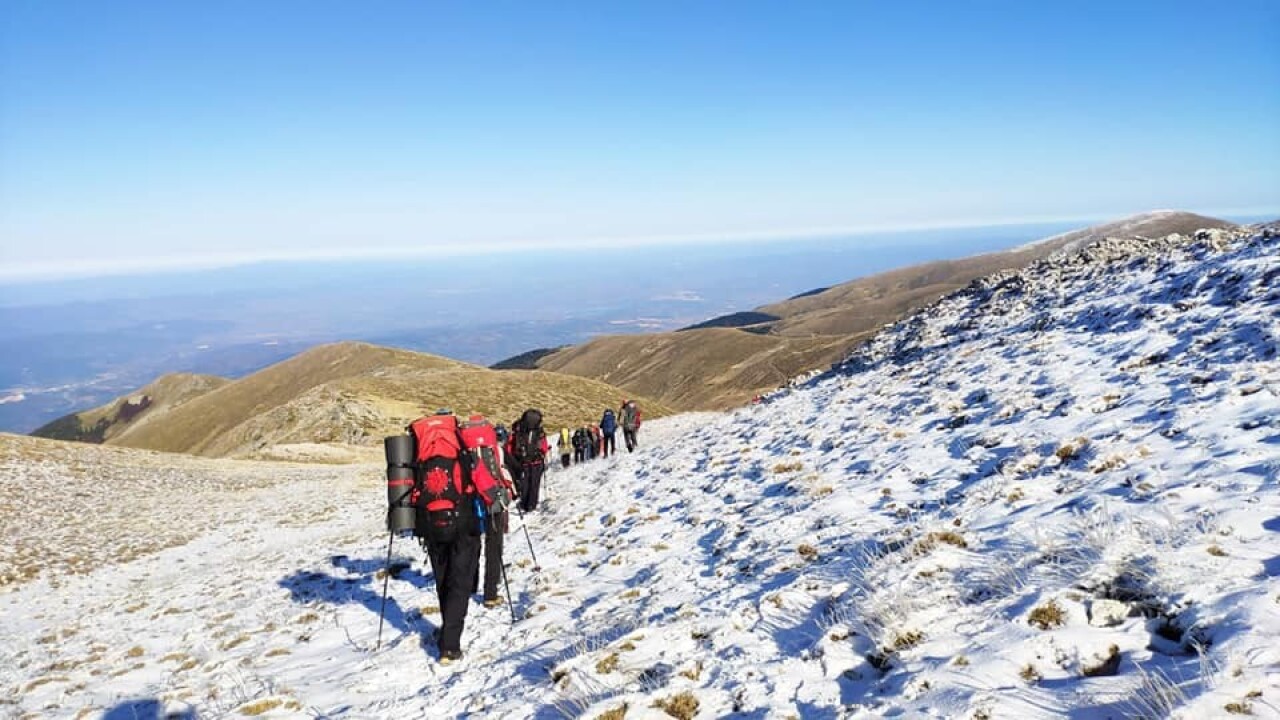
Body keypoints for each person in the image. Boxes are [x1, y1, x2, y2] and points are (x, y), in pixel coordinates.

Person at [408, 410, 499, 665]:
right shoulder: (463, 452)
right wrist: (495, 498)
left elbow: (412, 493)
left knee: (443, 579)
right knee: (459, 582)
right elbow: (484, 483)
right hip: (462, 523)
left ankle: (446, 629)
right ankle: (450, 645)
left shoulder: (421, 456)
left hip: (430, 525)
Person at [461, 414, 518, 610]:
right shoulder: (495, 447)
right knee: (494, 546)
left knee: (472, 543)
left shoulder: (463, 447)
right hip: (493, 497)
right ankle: (490, 594)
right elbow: (502, 471)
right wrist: (511, 491)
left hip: (470, 500)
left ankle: (470, 585)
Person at [507, 408, 548, 512]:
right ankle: (532, 505)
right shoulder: (539, 431)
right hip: (537, 461)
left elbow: (510, 446)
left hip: (523, 461)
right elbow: (544, 446)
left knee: (524, 483)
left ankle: (524, 504)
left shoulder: (519, 430)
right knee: (534, 483)